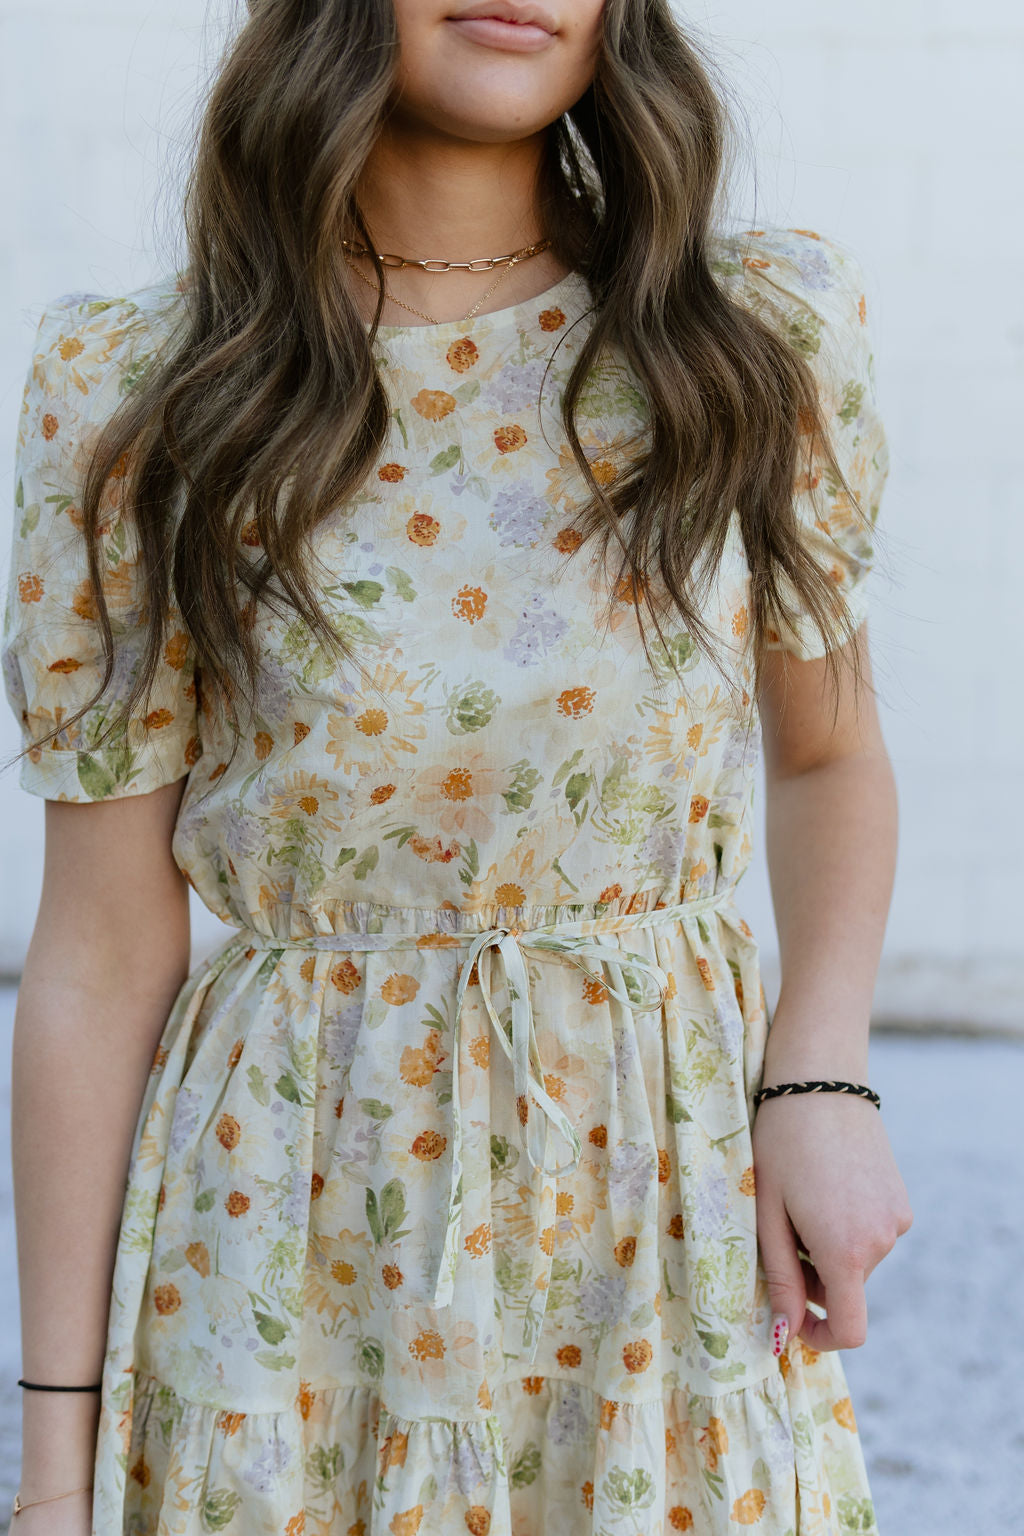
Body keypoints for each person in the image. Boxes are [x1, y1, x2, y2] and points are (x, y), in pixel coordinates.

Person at [1, 0, 913, 1531]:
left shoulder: (752, 336)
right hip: (286, 1229)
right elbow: (96, 954)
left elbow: (827, 758)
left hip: (659, 1223)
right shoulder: (141, 392)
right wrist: (52, 1471)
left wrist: (821, 1076)